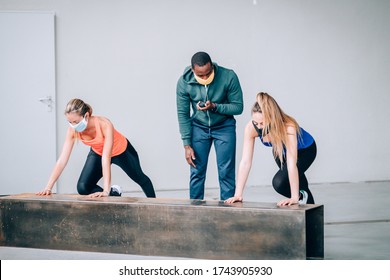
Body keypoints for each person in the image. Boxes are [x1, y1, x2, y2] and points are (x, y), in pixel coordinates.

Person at [37, 98, 156, 198]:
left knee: (141, 178)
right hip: (97, 152)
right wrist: (48, 187)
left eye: (76, 121)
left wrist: (105, 189)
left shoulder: (104, 124)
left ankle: (155, 207)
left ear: (86, 115)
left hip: (121, 150)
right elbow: (62, 159)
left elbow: (106, 158)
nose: (73, 125)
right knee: (83, 187)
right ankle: (114, 193)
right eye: (70, 122)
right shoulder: (72, 130)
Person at [225, 92, 317, 206]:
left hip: (305, 150)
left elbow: (291, 164)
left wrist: (294, 197)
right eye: (256, 123)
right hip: (280, 150)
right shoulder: (250, 128)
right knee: (300, 185)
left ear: (272, 119)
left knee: (280, 183)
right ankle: (304, 201)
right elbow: (245, 162)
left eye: (262, 123)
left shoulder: (288, 128)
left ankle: (302, 199)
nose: (258, 127)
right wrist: (238, 194)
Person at [176, 51, 244, 200]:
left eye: (208, 73)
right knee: (196, 171)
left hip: (224, 127)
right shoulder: (184, 83)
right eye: (201, 75)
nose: (205, 78)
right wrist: (186, 144)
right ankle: (195, 211)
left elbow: (238, 107)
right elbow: (183, 114)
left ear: (212, 66)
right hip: (199, 127)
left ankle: (228, 212)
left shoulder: (228, 76)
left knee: (226, 171)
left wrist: (215, 106)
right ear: (193, 70)